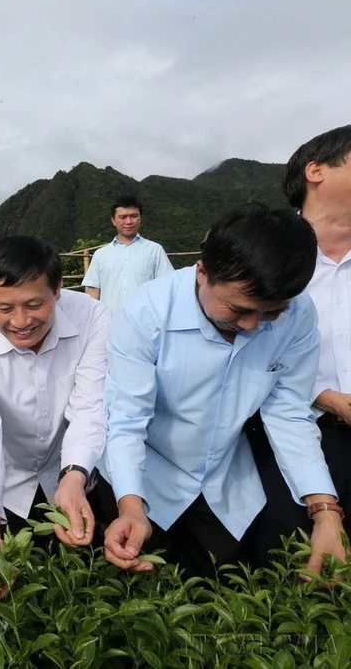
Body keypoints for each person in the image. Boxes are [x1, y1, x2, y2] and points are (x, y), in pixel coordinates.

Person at [101, 203, 345, 579]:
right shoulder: (145, 313)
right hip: (147, 472)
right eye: (237, 309)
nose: (250, 326)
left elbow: (288, 410)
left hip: (223, 476)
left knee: (226, 585)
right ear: (202, 272)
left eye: (269, 314)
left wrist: (325, 510)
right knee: (132, 585)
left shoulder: (298, 314)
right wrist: (132, 505)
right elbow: (126, 420)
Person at [0, 236, 111, 598]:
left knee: (84, 587)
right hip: (6, 485)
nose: (20, 321)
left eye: (34, 304)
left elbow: (90, 405)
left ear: (58, 290)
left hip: (75, 474)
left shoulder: (93, 317)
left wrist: (73, 478)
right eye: (3, 308)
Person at [254, 124, 351, 543]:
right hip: (296, 428)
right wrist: (324, 395)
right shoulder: (264, 253)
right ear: (316, 171)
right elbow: (244, 348)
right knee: (295, 560)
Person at [82, 195, 174, 309]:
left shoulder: (155, 250)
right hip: (109, 322)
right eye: (123, 217)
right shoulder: (100, 254)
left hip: (144, 321)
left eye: (134, 216)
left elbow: (167, 286)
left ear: (140, 218)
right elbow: (93, 291)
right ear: (113, 220)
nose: (129, 221)